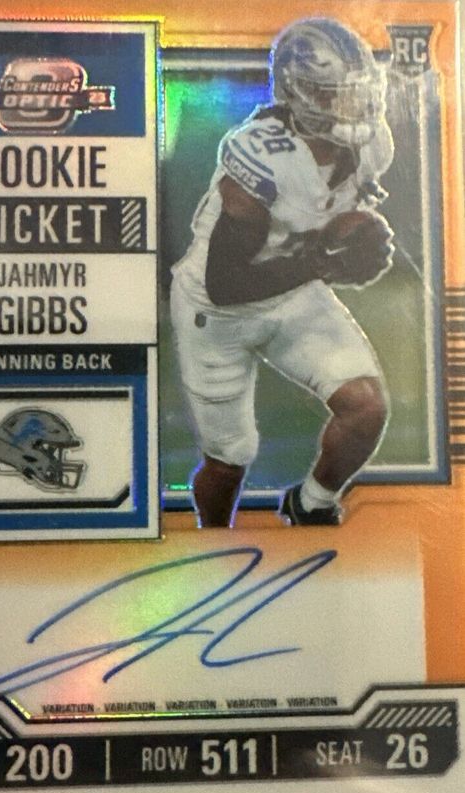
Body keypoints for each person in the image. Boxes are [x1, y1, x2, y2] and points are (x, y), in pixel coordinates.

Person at [170, 17, 395, 527]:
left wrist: (354, 234)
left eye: (357, 92)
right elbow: (225, 284)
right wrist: (323, 263)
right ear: (298, 93)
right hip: (215, 314)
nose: (351, 107)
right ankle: (215, 539)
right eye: (332, 94)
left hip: (291, 292)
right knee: (229, 460)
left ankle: (311, 503)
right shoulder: (261, 157)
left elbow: (327, 214)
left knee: (366, 408)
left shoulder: (372, 146)